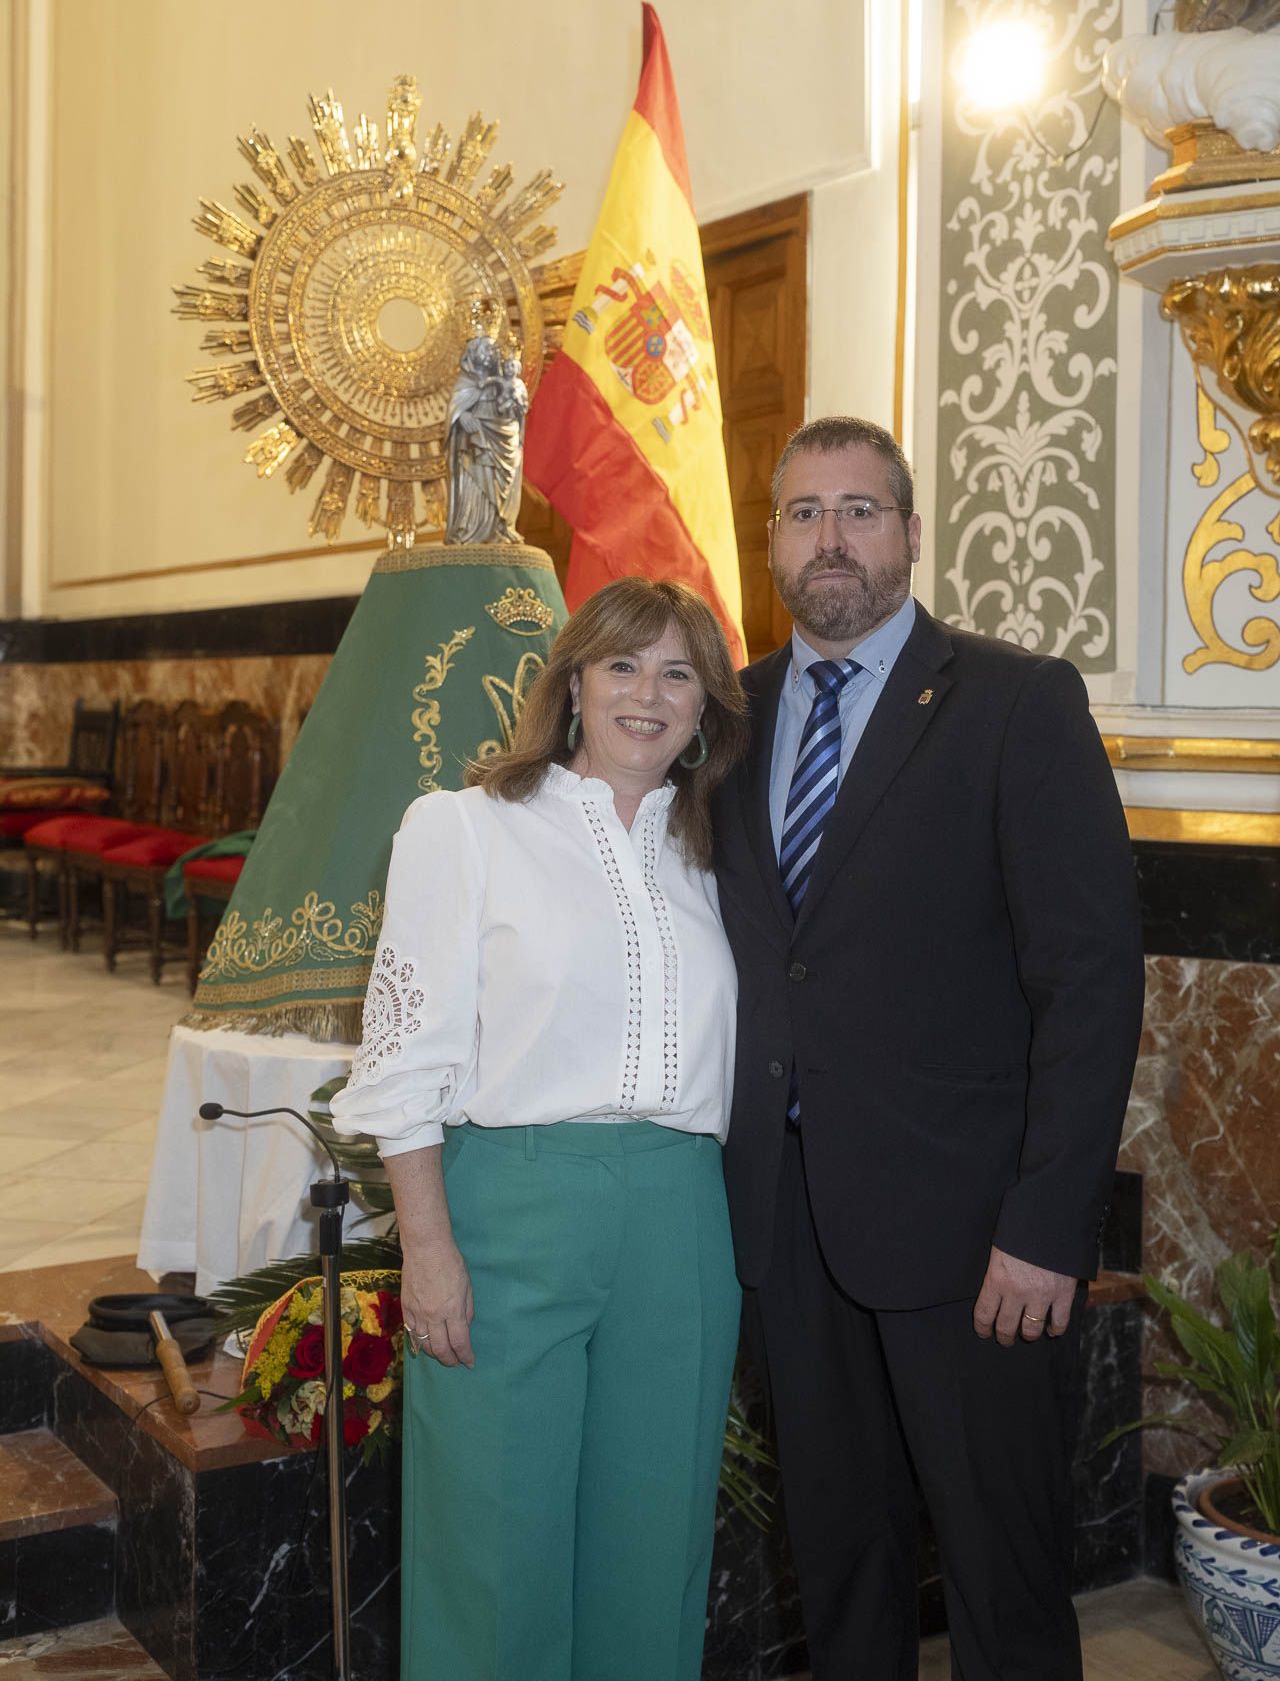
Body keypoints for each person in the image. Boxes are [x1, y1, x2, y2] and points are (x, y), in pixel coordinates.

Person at [711, 417, 1145, 1681]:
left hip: (974, 1241)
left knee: (1001, 1577)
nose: (829, 537)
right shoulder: (724, 717)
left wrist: (1047, 1221)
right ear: (773, 543)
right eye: (802, 513)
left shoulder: (1014, 701)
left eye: (858, 509)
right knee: (837, 1564)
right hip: (786, 1229)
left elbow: (1089, 979)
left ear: (907, 532)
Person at [331, 576, 750, 1681]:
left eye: (678, 675)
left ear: (706, 709)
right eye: (623, 665)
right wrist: (427, 1250)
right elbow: (404, 1060)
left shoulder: (715, 858)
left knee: (653, 1543)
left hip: (680, 1215)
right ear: (570, 683)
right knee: (492, 1541)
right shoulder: (464, 828)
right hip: (510, 1204)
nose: (648, 695)